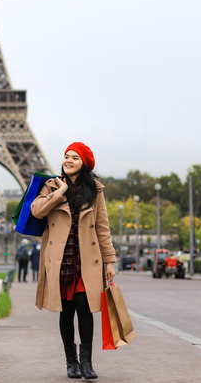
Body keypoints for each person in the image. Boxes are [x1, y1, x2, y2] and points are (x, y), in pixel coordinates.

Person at [31, 142, 116, 380]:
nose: (68, 160)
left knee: (84, 308)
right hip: (60, 258)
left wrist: (110, 261)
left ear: (85, 164)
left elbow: (102, 227)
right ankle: (71, 361)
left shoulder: (95, 190)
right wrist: (59, 192)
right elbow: (37, 211)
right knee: (66, 310)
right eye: (66, 156)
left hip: (86, 258)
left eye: (75, 158)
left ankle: (86, 363)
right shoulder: (51, 185)